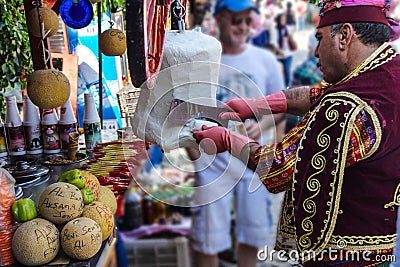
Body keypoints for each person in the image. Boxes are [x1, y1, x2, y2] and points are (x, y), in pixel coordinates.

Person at [192, 0, 400, 265]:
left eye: (320, 39)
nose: (315, 52)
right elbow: (317, 93)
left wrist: (226, 139)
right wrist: (258, 104)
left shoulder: (345, 107)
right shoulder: (387, 74)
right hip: (379, 246)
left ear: (345, 36)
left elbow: (278, 169)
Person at [186, 0, 286, 267]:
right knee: (208, 236)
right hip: (213, 162)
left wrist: (262, 125)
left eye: (246, 20)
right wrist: (193, 152)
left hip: (252, 160)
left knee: (253, 234)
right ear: (218, 19)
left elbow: (280, 110)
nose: (242, 27)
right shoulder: (203, 61)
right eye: (235, 20)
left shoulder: (265, 60)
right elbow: (186, 109)